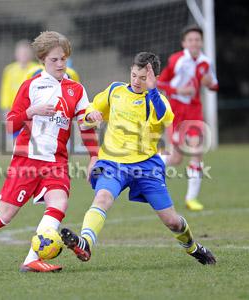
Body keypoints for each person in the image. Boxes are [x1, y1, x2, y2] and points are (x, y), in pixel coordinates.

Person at [0, 31, 99, 273]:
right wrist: (31, 111)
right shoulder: (31, 86)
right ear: (43, 60)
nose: (60, 64)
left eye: (63, 59)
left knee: (59, 202)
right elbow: (11, 123)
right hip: (27, 158)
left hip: (56, 161)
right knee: (4, 216)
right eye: (54, 60)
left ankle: (32, 258)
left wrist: (94, 153)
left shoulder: (76, 89)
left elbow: (85, 124)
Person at [61, 52, 216, 266]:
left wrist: (153, 88)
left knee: (172, 221)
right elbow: (88, 114)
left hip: (146, 167)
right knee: (102, 198)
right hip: (113, 162)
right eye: (134, 75)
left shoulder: (158, 100)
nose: (136, 81)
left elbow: (163, 117)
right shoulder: (115, 90)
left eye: (143, 78)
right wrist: (91, 116)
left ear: (153, 79)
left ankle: (193, 247)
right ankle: (85, 243)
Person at [157, 25, 219, 211]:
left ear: (201, 42)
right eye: (190, 40)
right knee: (175, 158)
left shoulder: (205, 62)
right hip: (176, 111)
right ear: (184, 43)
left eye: (197, 40)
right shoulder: (176, 60)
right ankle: (147, 165)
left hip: (194, 111)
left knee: (196, 149)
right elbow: (159, 83)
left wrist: (210, 84)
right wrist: (178, 90)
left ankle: (191, 198)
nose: (194, 43)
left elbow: (213, 85)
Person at [0, 40, 38, 115]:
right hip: (12, 110)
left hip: (31, 110)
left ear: (31, 54)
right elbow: (5, 91)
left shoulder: (37, 69)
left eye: (26, 53)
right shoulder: (9, 70)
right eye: (21, 53)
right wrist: (5, 108)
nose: (23, 55)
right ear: (16, 54)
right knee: (11, 126)